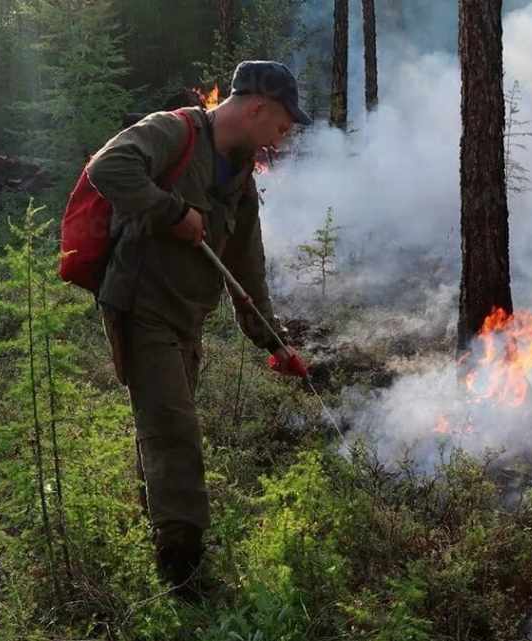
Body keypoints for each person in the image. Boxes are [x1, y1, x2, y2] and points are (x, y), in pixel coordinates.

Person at [86, 60, 312, 596]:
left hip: (186, 319)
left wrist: (274, 342)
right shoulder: (174, 130)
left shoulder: (241, 176)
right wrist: (171, 212)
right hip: (141, 309)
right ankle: (183, 575)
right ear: (256, 108)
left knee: (164, 429)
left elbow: (247, 269)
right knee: (175, 434)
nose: (281, 139)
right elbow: (107, 167)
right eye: (281, 126)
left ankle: (160, 532)